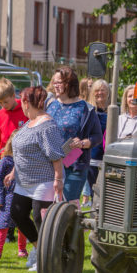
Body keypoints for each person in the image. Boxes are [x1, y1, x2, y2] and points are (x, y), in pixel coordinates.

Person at [5, 86, 64, 272]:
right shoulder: (29, 122)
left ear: (26, 102)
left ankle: (49, 259)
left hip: (43, 181)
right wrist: (14, 172)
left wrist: (58, 179)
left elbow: (55, 155)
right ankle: (39, 250)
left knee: (41, 219)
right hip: (23, 182)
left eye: (21, 101)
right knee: (17, 213)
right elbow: (22, 151)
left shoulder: (47, 124)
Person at [46, 67, 103, 204]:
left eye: (59, 82)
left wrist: (83, 143)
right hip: (51, 166)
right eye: (54, 82)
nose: (55, 85)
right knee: (50, 207)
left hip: (74, 166)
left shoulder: (85, 109)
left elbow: (97, 137)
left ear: (69, 83)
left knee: (66, 206)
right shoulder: (51, 105)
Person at [0, 132, 28, 260]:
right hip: (6, 199)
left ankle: (22, 249)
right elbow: (0, 181)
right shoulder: (6, 161)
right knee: (3, 225)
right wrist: (0, 200)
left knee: (22, 224)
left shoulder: (26, 160)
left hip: (22, 197)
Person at [0, 78, 28, 168]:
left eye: (5, 102)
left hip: (23, 157)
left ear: (13, 95)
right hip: (5, 158)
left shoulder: (26, 110)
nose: (3, 105)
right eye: (0, 103)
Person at [84, 79, 110, 204]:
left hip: (108, 158)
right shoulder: (88, 110)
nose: (100, 93)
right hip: (93, 158)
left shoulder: (113, 111)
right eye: (97, 90)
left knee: (108, 192)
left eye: (103, 90)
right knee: (95, 191)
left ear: (108, 92)